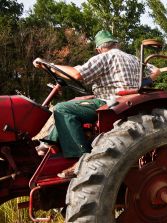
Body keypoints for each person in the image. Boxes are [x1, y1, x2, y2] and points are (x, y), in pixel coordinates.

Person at [33, 30, 160, 177]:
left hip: (111, 103)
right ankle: (48, 145)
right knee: (76, 103)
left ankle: (82, 160)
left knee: (62, 108)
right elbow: (156, 70)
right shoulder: (133, 58)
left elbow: (76, 74)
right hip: (128, 103)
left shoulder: (104, 57)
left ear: (99, 48)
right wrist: (145, 81)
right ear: (116, 44)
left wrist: (49, 64)